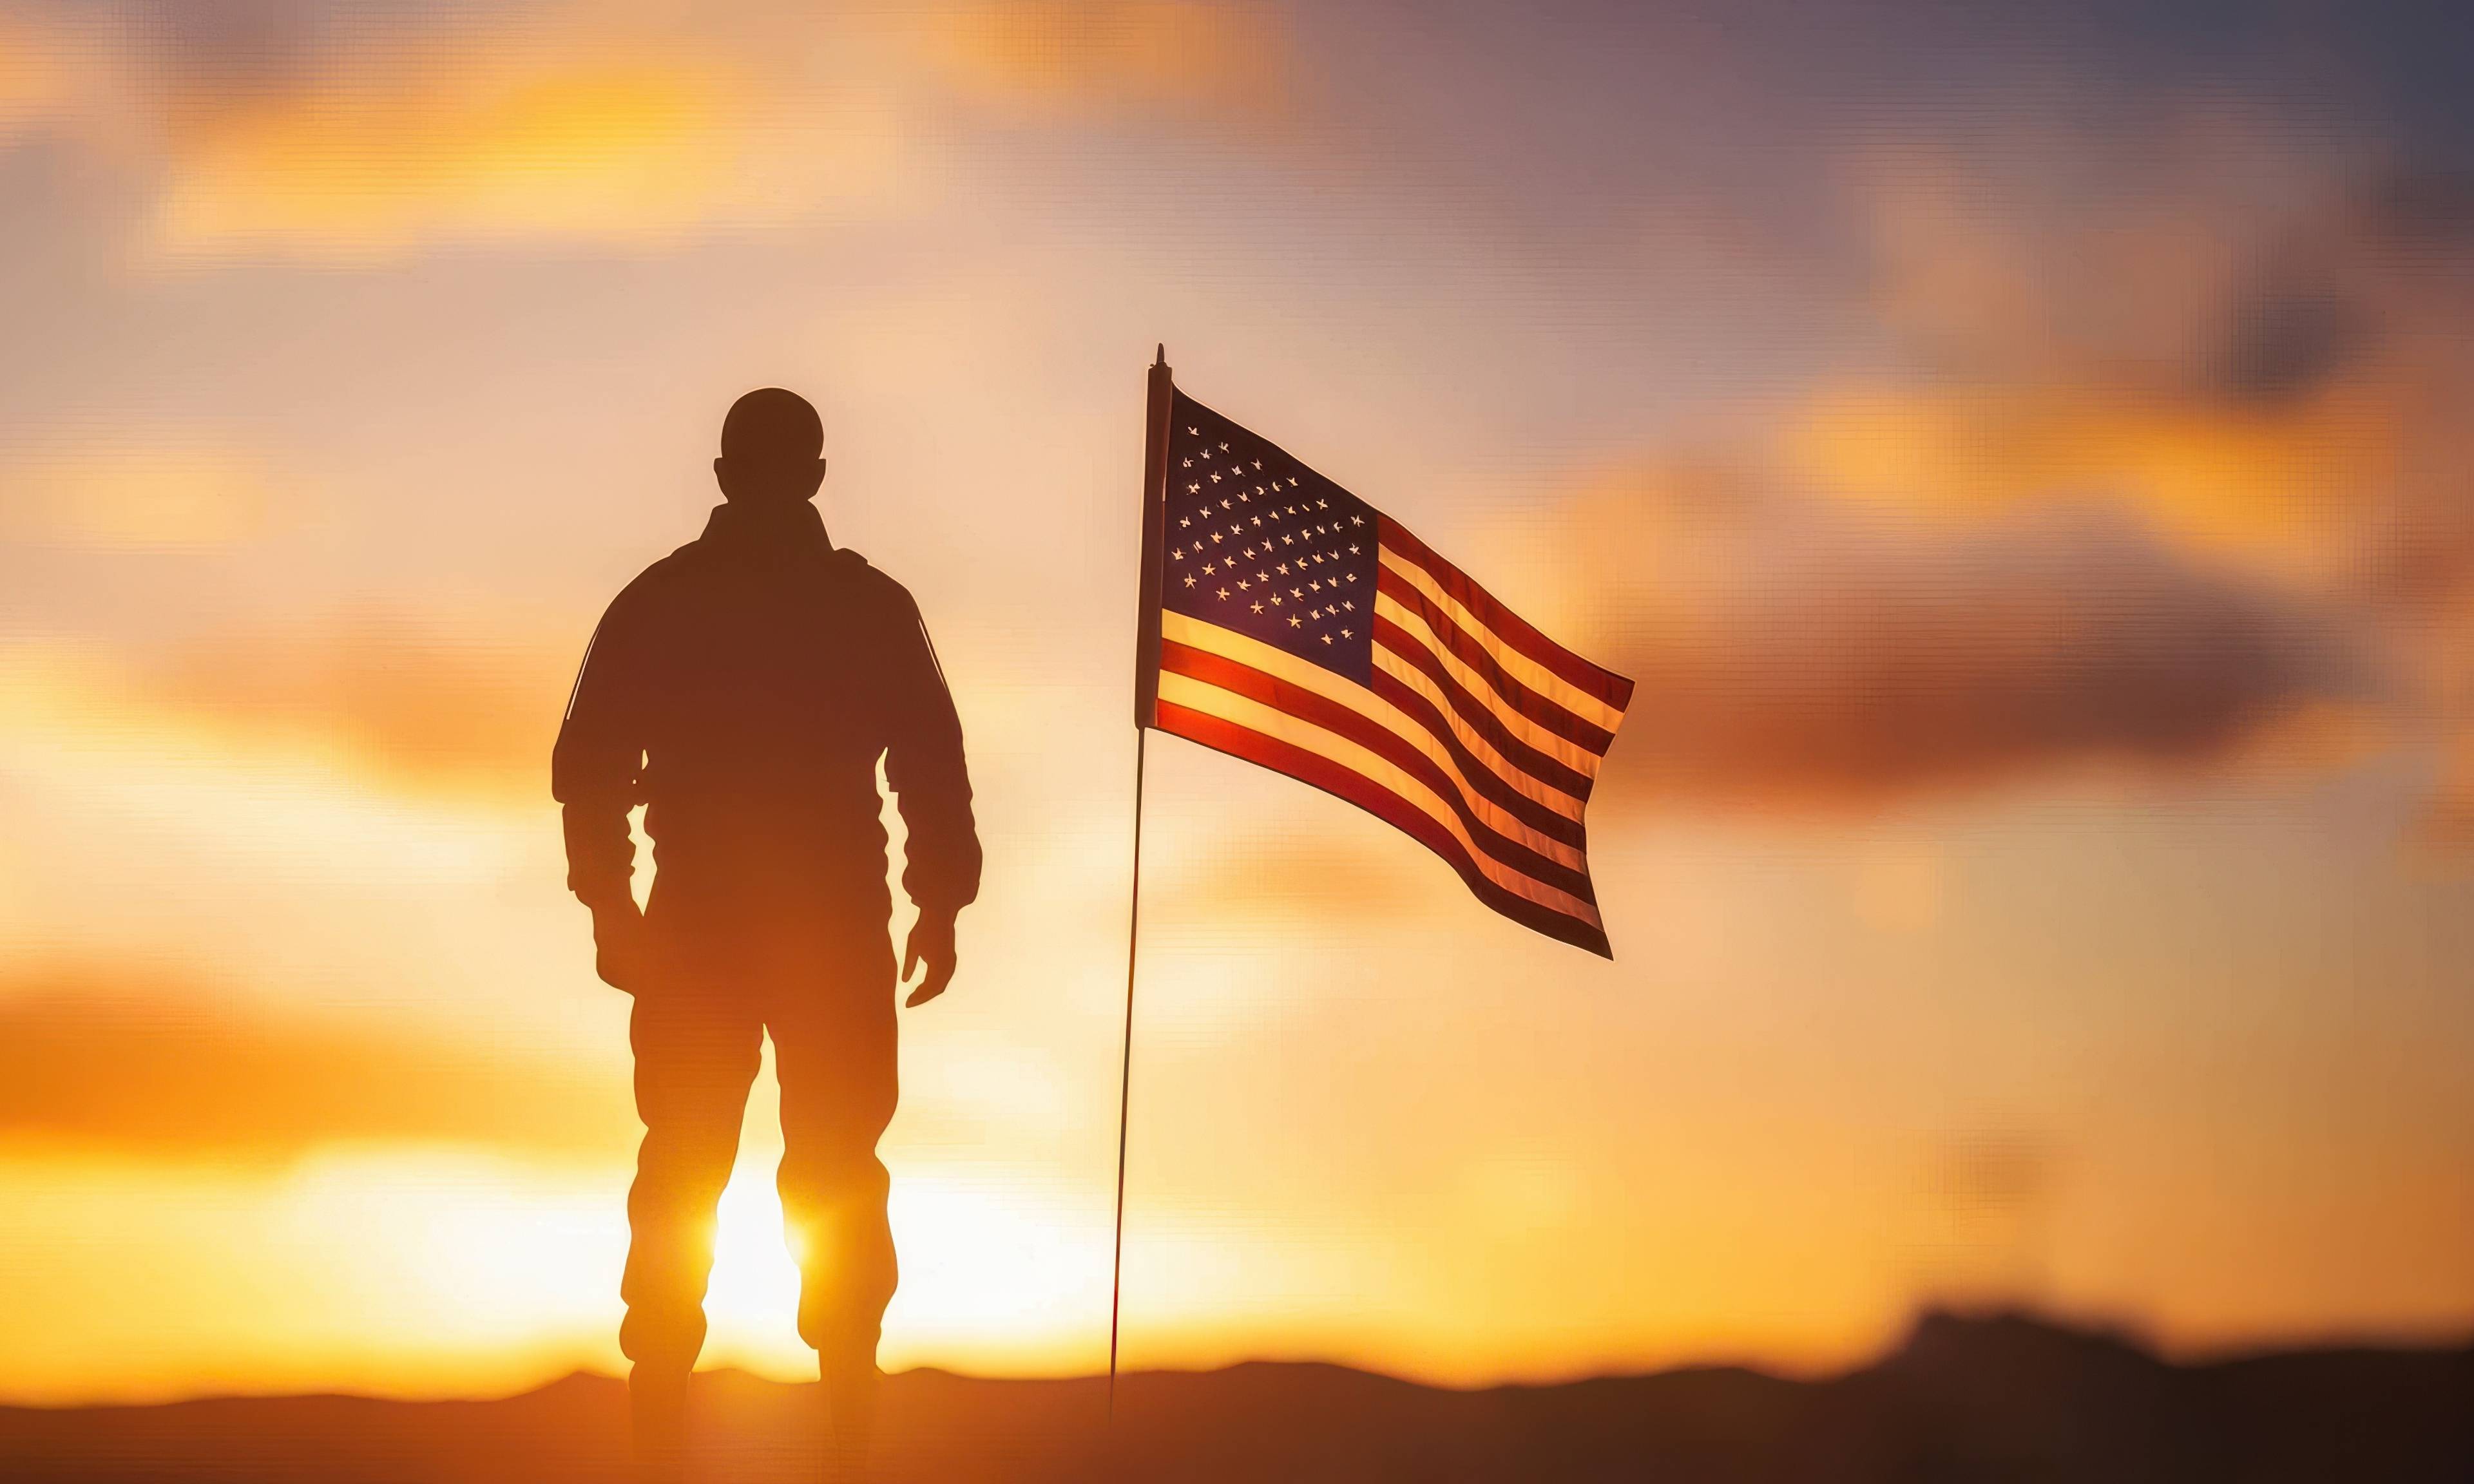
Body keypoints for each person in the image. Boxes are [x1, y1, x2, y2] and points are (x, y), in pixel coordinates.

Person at [552, 388, 979, 1482]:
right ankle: (769, 1438)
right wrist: (609, 902)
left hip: (755, 936)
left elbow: (928, 760)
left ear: (726, 474)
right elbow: (592, 765)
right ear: (814, 476)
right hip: (778, 936)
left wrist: (611, 904)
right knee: (737, 1170)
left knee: (729, 1170)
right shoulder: (850, 605)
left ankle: (790, 1440)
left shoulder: (677, 601)